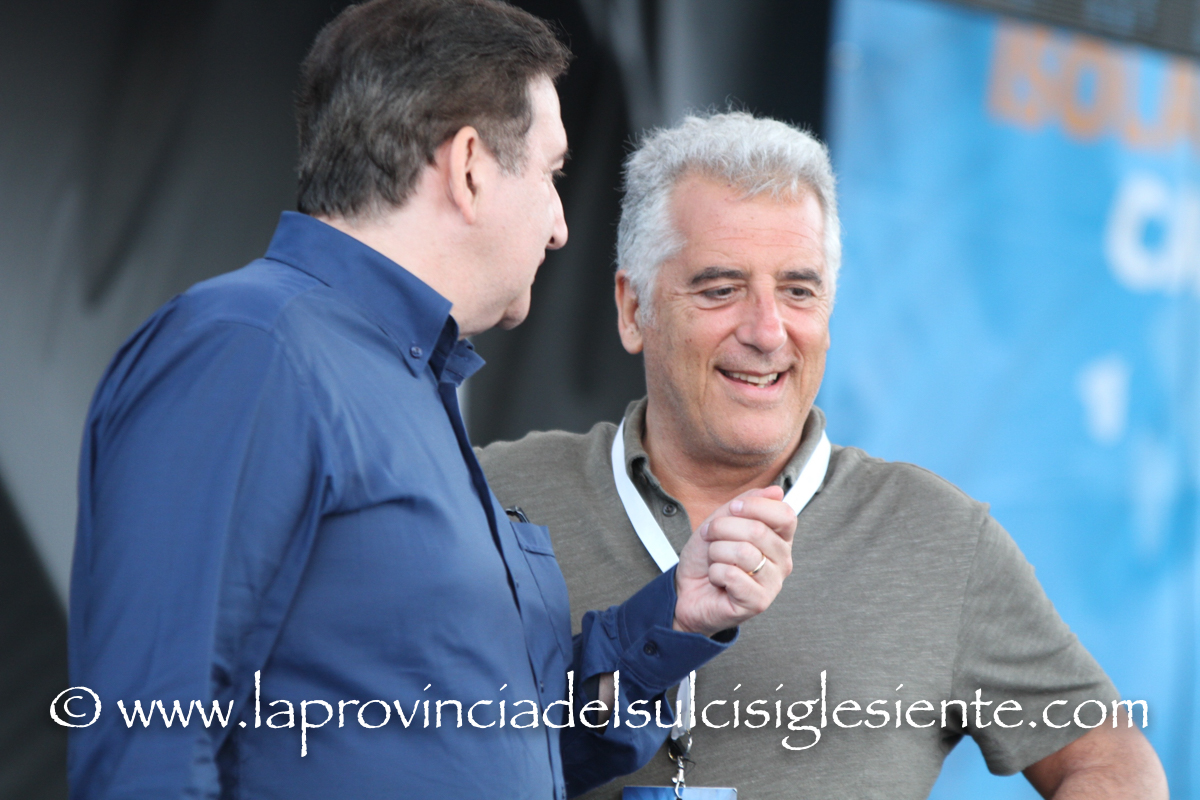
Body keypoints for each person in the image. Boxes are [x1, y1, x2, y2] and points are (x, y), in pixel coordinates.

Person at [66, 5, 800, 799]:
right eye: (552, 174)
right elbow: (146, 742)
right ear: (471, 167)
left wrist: (676, 617)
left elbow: (497, 745)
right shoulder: (249, 348)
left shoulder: (409, 383)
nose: (561, 227)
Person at [479, 111, 1169, 798]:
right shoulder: (494, 497)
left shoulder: (938, 536)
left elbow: (1112, 758)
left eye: (798, 291)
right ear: (634, 309)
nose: (767, 331)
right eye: (721, 289)